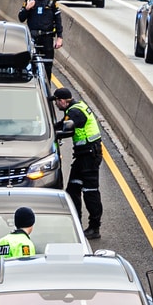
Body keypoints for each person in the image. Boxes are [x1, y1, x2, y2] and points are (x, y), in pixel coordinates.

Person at [52, 87, 102, 239]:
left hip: (89, 157)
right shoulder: (75, 108)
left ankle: (94, 228)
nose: (56, 105)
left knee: (90, 192)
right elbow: (61, 124)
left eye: (56, 102)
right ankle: (77, 226)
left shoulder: (75, 112)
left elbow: (68, 128)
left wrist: (56, 134)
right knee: (73, 190)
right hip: (82, 157)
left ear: (62, 101)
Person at [17, 0, 63, 81]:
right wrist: (27, 8)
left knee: (47, 65)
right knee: (32, 64)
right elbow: (21, 18)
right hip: (33, 37)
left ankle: (47, 89)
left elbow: (58, 21)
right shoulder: (29, 1)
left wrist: (59, 37)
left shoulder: (51, 2)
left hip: (47, 37)